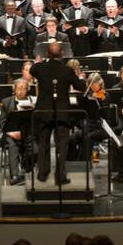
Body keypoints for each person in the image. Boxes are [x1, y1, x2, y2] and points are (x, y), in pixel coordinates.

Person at [31, 42, 85, 185]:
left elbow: (32, 70)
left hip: (44, 111)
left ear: (47, 54)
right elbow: (80, 86)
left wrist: (38, 62)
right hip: (62, 112)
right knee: (62, 145)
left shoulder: (40, 68)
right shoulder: (67, 70)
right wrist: (80, 77)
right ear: (62, 54)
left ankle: (42, 173)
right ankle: (60, 177)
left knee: (43, 143)